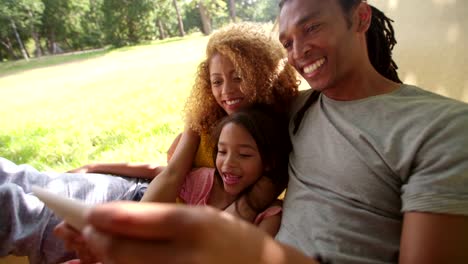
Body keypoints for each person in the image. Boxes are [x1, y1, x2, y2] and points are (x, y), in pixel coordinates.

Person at [75, 0, 468, 263]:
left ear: (360, 18)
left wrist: (236, 244)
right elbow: (226, 118)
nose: (299, 52)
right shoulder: (295, 110)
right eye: (287, 43)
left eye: (312, 27)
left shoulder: (441, 127)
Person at [0, 22, 298, 264]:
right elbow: (171, 173)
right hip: (138, 198)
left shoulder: (271, 142)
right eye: (217, 81)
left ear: (262, 73)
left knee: (17, 208)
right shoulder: (206, 119)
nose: (227, 91)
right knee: (20, 178)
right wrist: (99, 166)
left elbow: (240, 218)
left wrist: (133, 237)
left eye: (239, 77)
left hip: (153, 228)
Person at [56, 105, 291, 263]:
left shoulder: (270, 216)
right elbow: (161, 172)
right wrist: (95, 167)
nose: (228, 164)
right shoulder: (205, 181)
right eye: (222, 151)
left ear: (269, 162)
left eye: (245, 155)